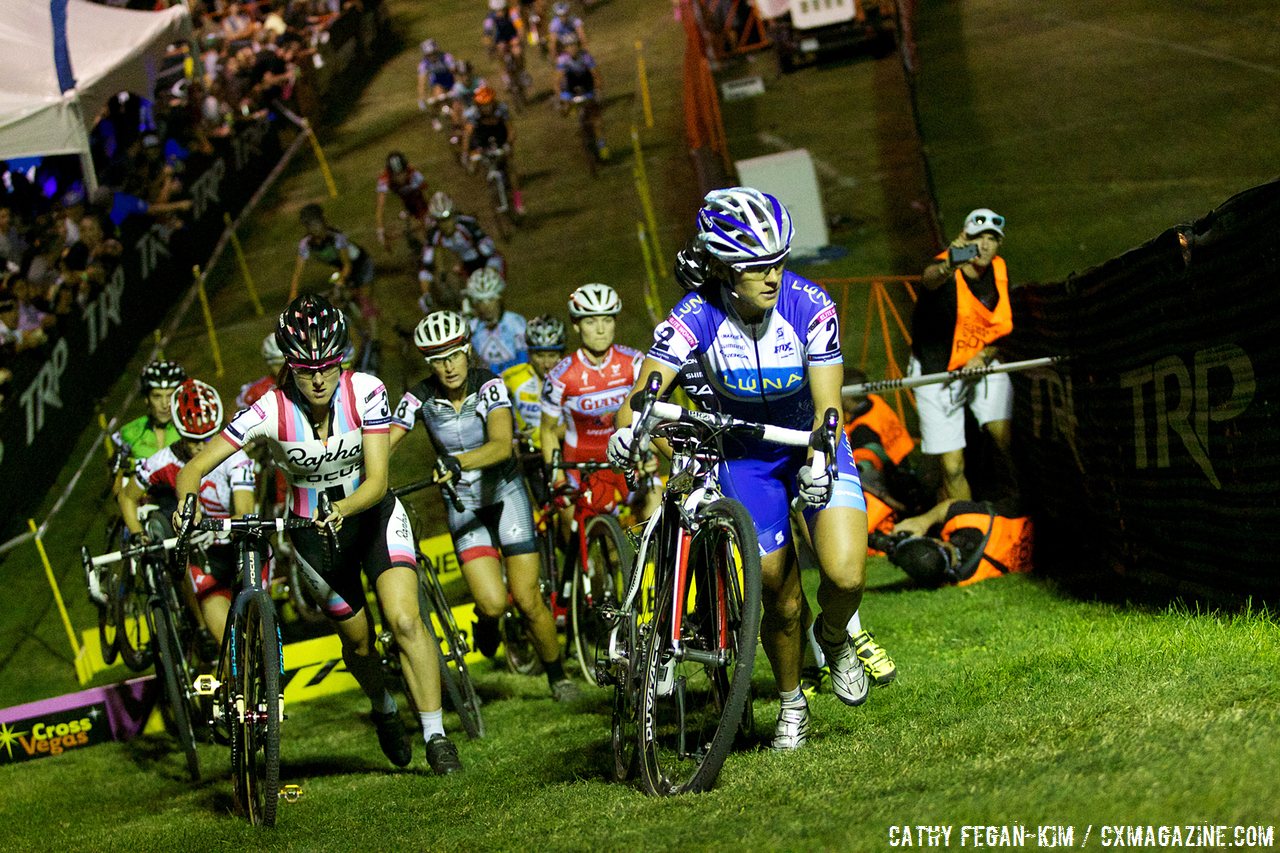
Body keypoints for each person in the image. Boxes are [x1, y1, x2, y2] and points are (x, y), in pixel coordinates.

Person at [608, 187, 870, 751]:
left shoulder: (810, 306)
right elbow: (646, 388)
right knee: (778, 592)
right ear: (725, 270)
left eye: (777, 262)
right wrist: (628, 426)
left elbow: (829, 406)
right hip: (745, 457)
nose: (771, 277)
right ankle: (791, 700)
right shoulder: (696, 314)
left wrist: (820, 457)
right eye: (755, 268)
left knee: (845, 575)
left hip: (807, 440)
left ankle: (834, 636)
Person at [172, 295, 462, 775]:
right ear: (289, 366)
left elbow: (376, 481)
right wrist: (187, 505)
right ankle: (384, 706)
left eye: (329, 365)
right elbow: (195, 467)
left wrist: (344, 508)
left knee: (406, 619)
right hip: (312, 537)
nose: (320, 378)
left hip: (371, 517)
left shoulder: (366, 389)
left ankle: (436, 735)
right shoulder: (269, 408)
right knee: (360, 643)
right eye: (307, 370)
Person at [389, 311, 578, 702]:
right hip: (465, 505)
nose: (448, 365)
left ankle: (558, 677)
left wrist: (458, 461)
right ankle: (488, 623)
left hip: (506, 494)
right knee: (492, 603)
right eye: (438, 359)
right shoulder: (420, 396)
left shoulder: (488, 384)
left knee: (527, 599)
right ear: (429, 364)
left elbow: (500, 442)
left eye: (455, 355)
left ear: (467, 351)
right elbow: (384, 439)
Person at [120, 380, 255, 646]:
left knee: (256, 640)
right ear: (180, 434)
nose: (201, 446)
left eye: (208, 437)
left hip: (240, 550)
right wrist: (137, 534)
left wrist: (217, 528)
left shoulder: (235, 458)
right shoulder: (162, 461)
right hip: (204, 560)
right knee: (229, 644)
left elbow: (244, 511)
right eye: (193, 440)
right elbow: (126, 497)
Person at [911, 207, 1014, 502]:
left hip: (982, 362)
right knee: (953, 467)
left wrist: (982, 356)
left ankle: (1020, 510)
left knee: (1006, 441)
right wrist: (948, 266)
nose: (983, 246)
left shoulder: (999, 270)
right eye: (977, 238)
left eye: (991, 239)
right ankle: (965, 527)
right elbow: (929, 279)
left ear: (999, 244)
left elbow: (1001, 328)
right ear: (962, 239)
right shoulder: (944, 270)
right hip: (937, 372)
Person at [539, 283, 642, 537]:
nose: (600, 330)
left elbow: (650, 414)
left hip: (625, 457)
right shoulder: (561, 375)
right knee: (588, 535)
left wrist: (647, 454)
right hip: (583, 464)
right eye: (590, 321)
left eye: (607, 320)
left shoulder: (635, 363)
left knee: (655, 512)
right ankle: (589, 574)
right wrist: (558, 478)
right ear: (576, 325)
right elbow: (548, 431)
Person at [885, 498, 1032, 587]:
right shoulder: (971, 520)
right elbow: (951, 506)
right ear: (936, 541)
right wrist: (924, 521)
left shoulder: (967, 580)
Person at [502, 314, 565, 503]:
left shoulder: (570, 375)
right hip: (531, 453)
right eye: (539, 355)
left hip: (564, 447)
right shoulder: (513, 377)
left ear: (561, 354)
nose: (546, 363)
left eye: (552, 355)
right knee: (545, 504)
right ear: (529, 353)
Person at [419, 192, 505, 313]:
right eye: (441, 221)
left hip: (487, 261)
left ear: (454, 215)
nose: (446, 225)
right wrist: (426, 294)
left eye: (448, 219)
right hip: (465, 266)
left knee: (490, 294)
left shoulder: (468, 224)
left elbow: (488, 250)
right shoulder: (433, 234)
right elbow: (426, 267)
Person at [110, 360, 187, 496]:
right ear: (146, 399)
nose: (165, 404)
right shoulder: (128, 433)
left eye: (170, 395)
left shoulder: (191, 431)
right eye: (157, 396)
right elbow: (117, 486)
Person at [461, 85, 525, 215]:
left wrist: (508, 144)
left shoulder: (501, 109)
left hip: (500, 136)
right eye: (483, 105)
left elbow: (511, 130)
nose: (486, 108)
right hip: (481, 139)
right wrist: (465, 153)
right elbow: (468, 134)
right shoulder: (473, 114)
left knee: (510, 170)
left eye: (488, 104)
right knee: (474, 167)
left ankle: (518, 203)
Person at [464, 268, 527, 374]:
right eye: (480, 301)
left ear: (499, 299)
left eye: (491, 299)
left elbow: (524, 361)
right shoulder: (471, 328)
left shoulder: (516, 323)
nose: (486, 307)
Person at [555, 35, 607, 160]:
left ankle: (602, 145)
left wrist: (598, 89)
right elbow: (557, 81)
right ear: (565, 49)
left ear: (578, 46)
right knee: (565, 109)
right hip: (570, 88)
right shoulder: (562, 60)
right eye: (568, 46)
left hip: (587, 86)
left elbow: (596, 75)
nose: (571, 48)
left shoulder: (586, 57)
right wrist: (560, 97)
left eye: (573, 45)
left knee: (596, 119)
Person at [375, 151, 431, 253]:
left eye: (402, 173)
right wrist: (380, 231)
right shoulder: (384, 178)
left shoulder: (414, 174)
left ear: (406, 169)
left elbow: (426, 194)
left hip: (415, 195)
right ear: (390, 174)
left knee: (424, 219)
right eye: (396, 175)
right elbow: (380, 207)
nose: (400, 177)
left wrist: (428, 215)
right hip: (404, 195)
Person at [417, 39, 459, 130]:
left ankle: (453, 118)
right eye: (429, 55)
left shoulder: (446, 57)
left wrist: (457, 86)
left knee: (454, 102)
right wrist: (421, 98)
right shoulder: (423, 64)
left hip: (449, 79)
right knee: (438, 97)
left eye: (433, 53)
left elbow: (455, 73)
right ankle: (434, 118)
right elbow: (422, 82)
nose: (432, 57)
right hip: (437, 82)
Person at [236, 333, 287, 409]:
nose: (281, 368)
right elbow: (233, 415)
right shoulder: (256, 391)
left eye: (283, 363)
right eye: (276, 364)